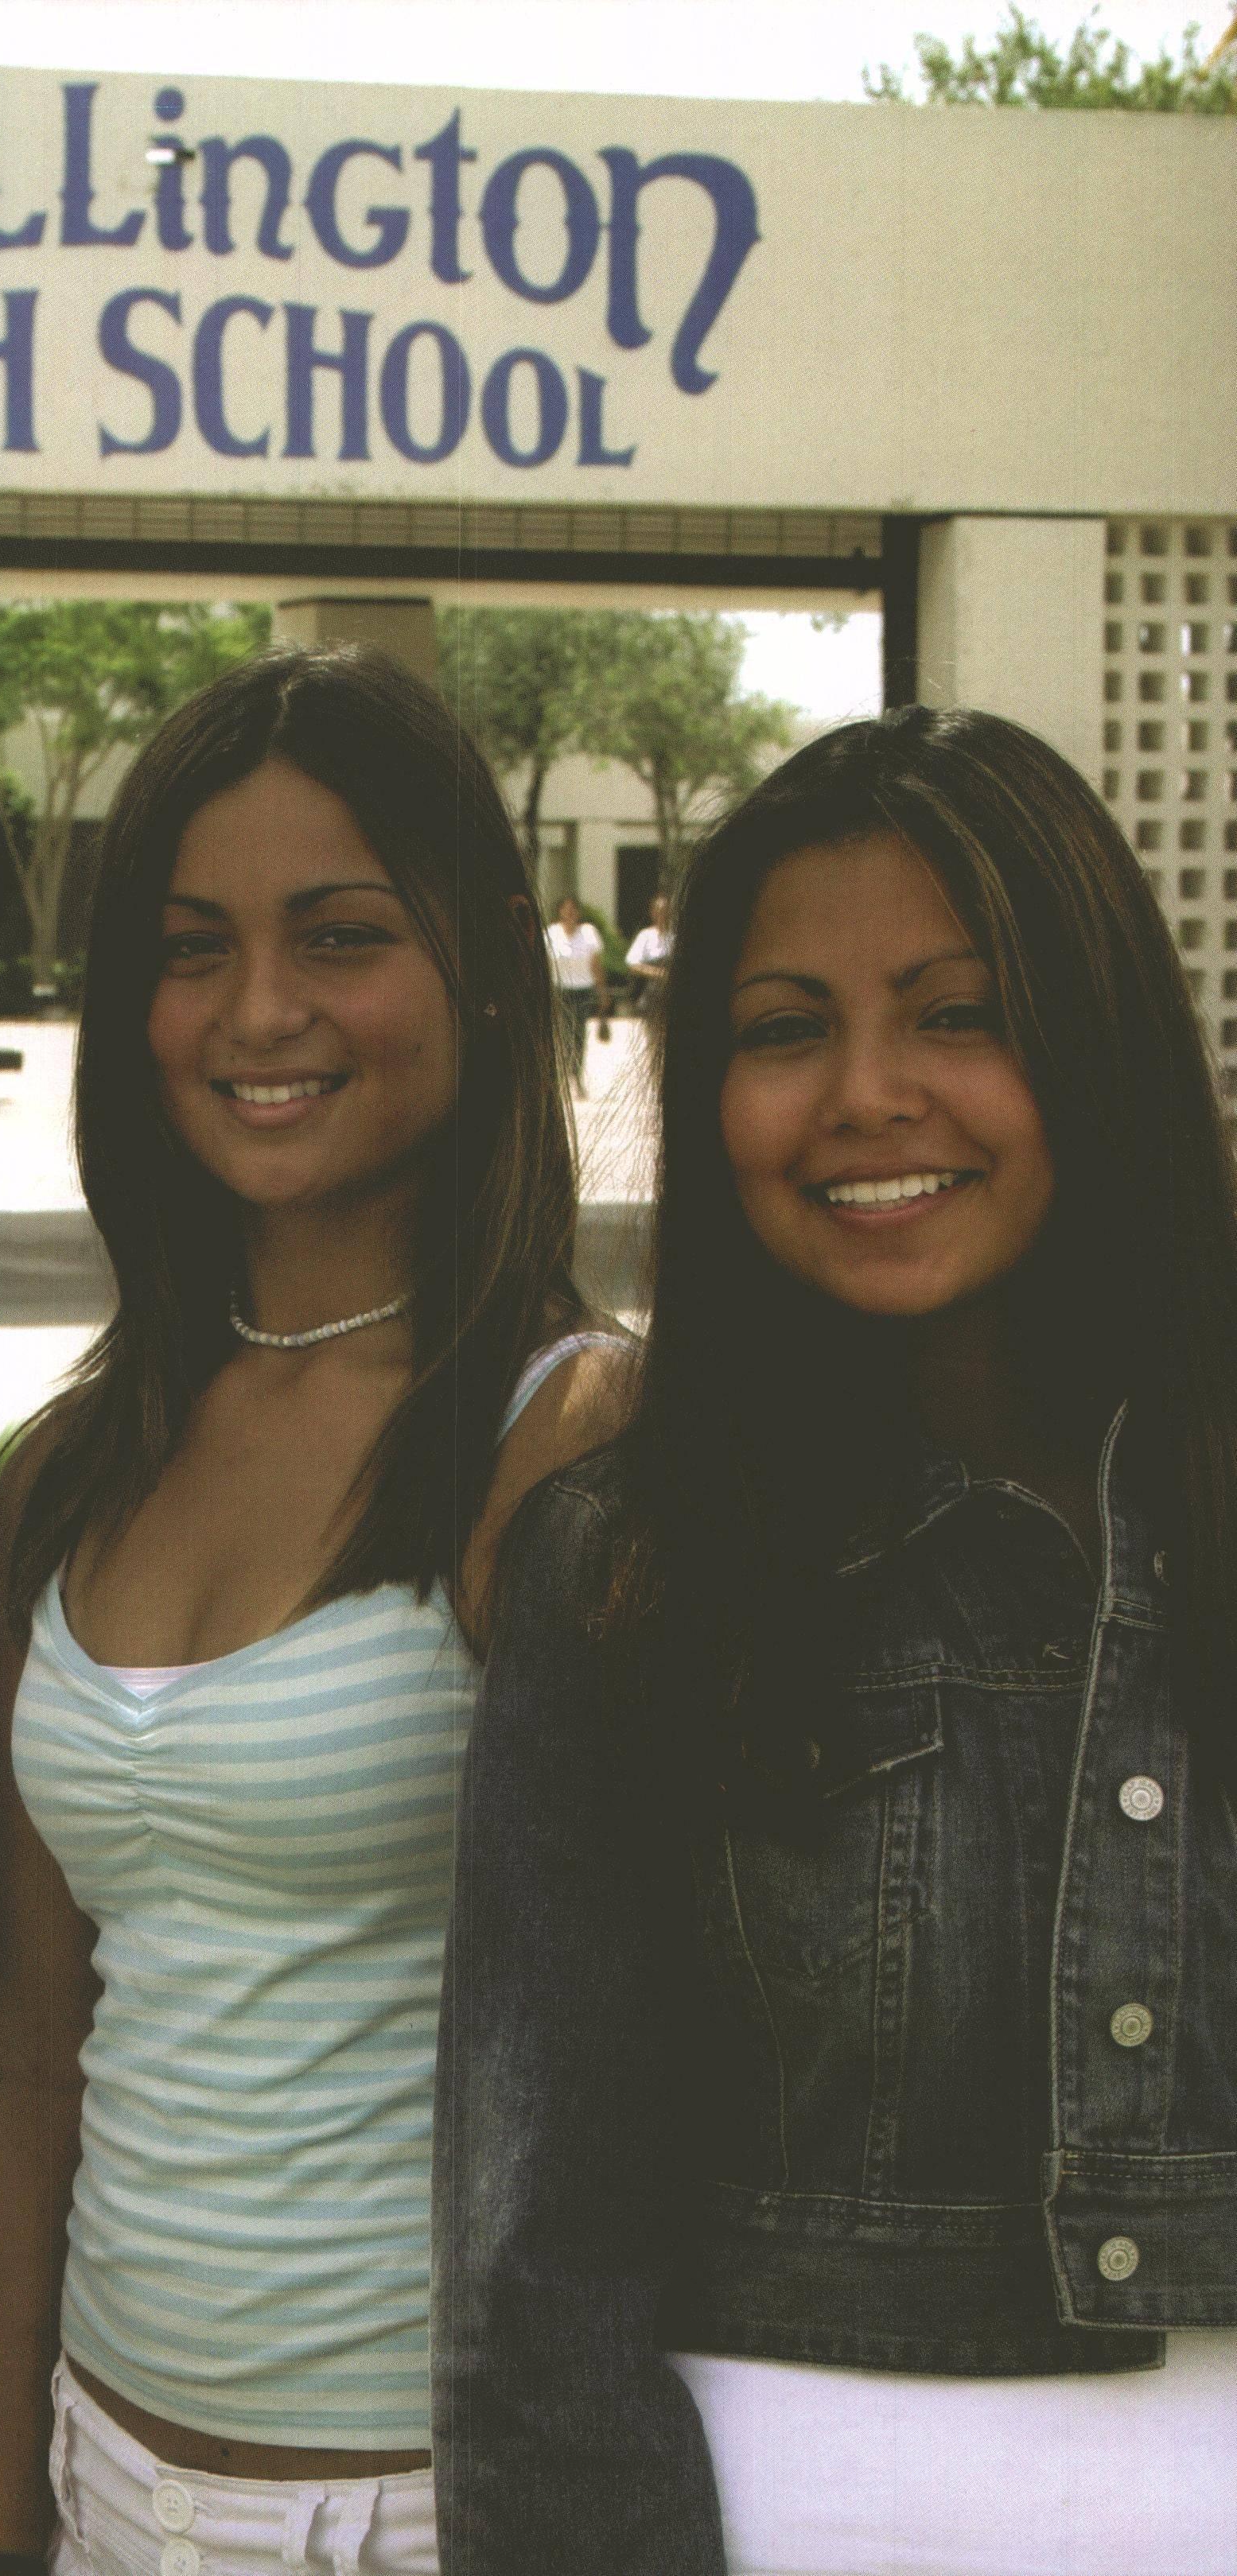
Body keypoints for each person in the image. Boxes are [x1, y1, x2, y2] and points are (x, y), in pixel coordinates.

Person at [436, 705, 1237, 2575]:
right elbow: (533, 2285)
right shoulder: (626, 1570)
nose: (865, 1092)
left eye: (957, 1013)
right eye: (783, 1028)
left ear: (1094, 1038)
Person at [0, 646, 632, 2576]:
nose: (258, 1009)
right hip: (103, 2478)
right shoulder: (74, 1465)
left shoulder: (563, 1434)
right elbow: (28, 2044)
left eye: (338, 934)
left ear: (478, 961)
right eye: (192, 948)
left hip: (419, 2500)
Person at [545, 895, 609, 1098]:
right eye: (566, 909)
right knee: (563, 1035)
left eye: (573, 910)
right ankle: (563, 1078)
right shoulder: (551, 933)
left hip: (583, 991)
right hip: (560, 991)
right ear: (560, 912)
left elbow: (596, 966)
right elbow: (544, 966)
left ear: (578, 913)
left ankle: (577, 1077)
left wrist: (603, 993)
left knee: (579, 1035)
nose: (570, 914)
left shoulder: (589, 933)